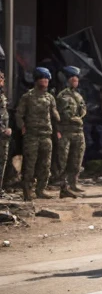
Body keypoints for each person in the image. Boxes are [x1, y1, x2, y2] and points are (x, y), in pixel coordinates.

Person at [16, 67, 60, 201]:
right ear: (36, 80)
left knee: (45, 164)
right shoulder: (28, 96)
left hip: (46, 135)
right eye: (42, 78)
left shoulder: (50, 97)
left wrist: (58, 124)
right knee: (30, 164)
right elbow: (19, 114)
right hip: (32, 135)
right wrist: (21, 126)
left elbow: (54, 114)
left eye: (47, 79)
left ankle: (41, 189)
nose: (45, 81)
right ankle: (27, 191)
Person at [56, 66, 87, 198]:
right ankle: (63, 186)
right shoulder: (62, 96)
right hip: (66, 131)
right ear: (68, 80)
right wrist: (77, 119)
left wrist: (79, 118)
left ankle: (73, 183)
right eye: (73, 79)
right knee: (63, 160)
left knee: (77, 159)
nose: (75, 81)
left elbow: (83, 110)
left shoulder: (78, 96)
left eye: (76, 79)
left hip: (78, 132)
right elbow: (64, 114)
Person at [0, 68, 12, 194]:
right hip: (2, 133)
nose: (2, 81)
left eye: (2, 79)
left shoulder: (2, 95)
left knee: (2, 162)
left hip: (3, 136)